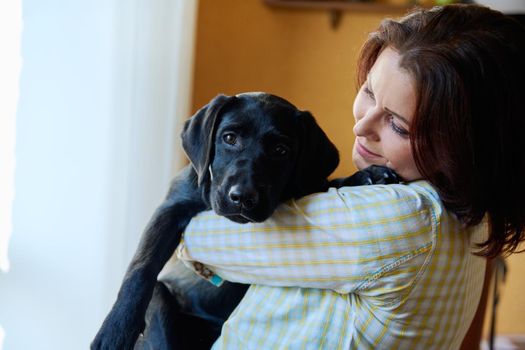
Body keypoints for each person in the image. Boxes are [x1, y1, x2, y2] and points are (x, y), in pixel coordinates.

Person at [177, 4, 525, 349]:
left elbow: (201, 237)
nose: (361, 126)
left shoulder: (404, 218)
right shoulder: (465, 214)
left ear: (464, 148)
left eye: (398, 125)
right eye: (369, 92)